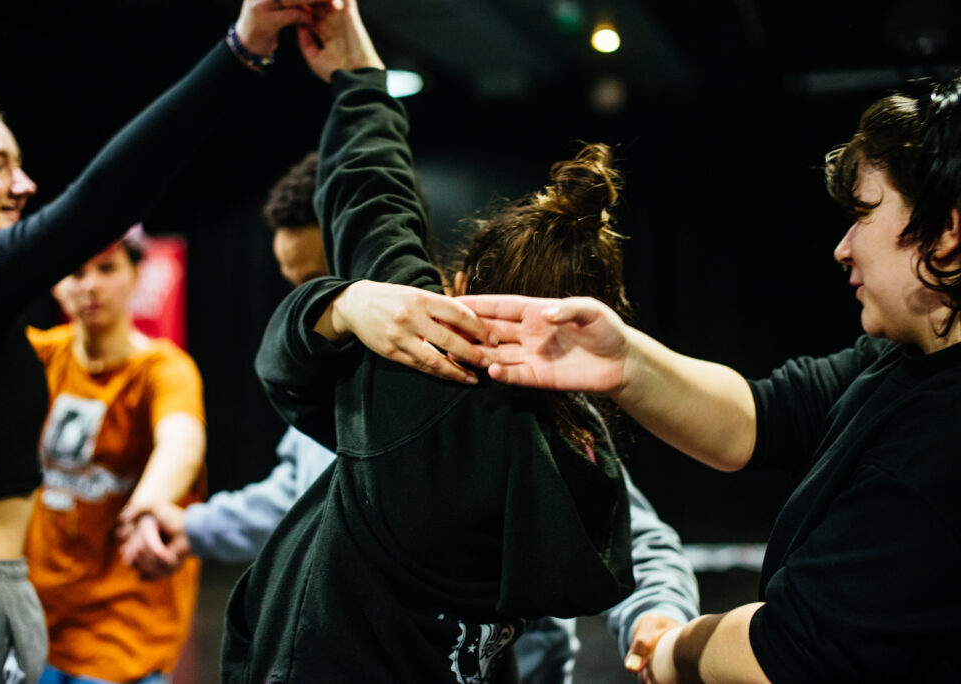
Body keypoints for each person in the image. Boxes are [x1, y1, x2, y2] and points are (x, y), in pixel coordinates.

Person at [123, 149, 699, 682]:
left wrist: (659, 618)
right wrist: (190, 527)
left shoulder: (522, 419)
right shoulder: (348, 383)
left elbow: (629, 533)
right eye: (298, 283)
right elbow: (291, 496)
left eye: (320, 276)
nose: (313, 292)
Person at [456, 78, 961, 682]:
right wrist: (621, 363)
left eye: (864, 215)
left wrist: (669, 651)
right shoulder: (906, 357)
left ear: (947, 232)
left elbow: (791, 650)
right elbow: (761, 416)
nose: (843, 247)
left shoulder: (938, 447)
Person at [220, 2, 664, 680]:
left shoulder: (416, 374)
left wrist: (362, 76)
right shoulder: (584, 454)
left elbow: (375, 200)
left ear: (458, 287)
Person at [0, 1, 335, 681]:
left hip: (56, 612)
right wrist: (241, 48)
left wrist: (155, 496)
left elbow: (182, 436)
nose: (23, 186)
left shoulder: (132, 359)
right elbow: (99, 201)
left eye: (20, 164)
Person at [24, 236, 206, 684]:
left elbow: (181, 440)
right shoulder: (42, 355)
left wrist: (146, 506)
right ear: (56, 286)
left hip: (125, 628)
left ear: (135, 276)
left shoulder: (163, 369)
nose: (90, 286)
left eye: (107, 269)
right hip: (37, 623)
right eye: (76, 272)